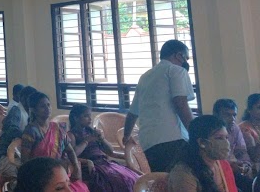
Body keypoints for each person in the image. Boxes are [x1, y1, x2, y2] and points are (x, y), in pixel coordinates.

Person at [123, 39, 195, 172]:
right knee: (181, 179)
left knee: (162, 179)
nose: (186, 62)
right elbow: (181, 103)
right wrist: (195, 132)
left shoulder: (145, 77)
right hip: (173, 138)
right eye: (186, 58)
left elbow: (132, 113)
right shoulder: (177, 70)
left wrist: (126, 136)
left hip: (148, 142)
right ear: (179, 55)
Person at [20, 92, 88, 192]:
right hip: (40, 176)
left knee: (81, 188)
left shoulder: (57, 128)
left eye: (48, 105)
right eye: (42, 106)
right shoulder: (31, 131)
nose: (47, 108)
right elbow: (25, 161)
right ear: (33, 110)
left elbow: (70, 151)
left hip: (58, 172)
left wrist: (76, 167)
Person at [67, 104, 139, 191]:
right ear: (75, 118)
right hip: (89, 166)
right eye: (86, 116)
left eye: (90, 116)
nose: (90, 119)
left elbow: (110, 151)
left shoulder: (90, 131)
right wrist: (86, 141)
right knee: (116, 182)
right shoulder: (71, 135)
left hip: (104, 163)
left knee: (130, 178)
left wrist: (102, 139)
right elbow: (73, 154)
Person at [167, 115, 238, 192]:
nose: (227, 143)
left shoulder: (223, 165)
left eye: (226, 138)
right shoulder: (183, 173)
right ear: (202, 142)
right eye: (219, 138)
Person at [0, 85, 36, 184]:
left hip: (22, 156)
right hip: (6, 158)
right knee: (30, 174)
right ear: (23, 99)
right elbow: (11, 128)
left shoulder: (31, 113)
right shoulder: (16, 111)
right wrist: (26, 136)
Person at [212, 99, 253, 192]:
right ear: (215, 114)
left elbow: (242, 152)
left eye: (234, 115)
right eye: (227, 115)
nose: (232, 119)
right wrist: (230, 164)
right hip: (216, 170)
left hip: (233, 169)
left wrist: (246, 165)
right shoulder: (209, 131)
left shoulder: (235, 128)